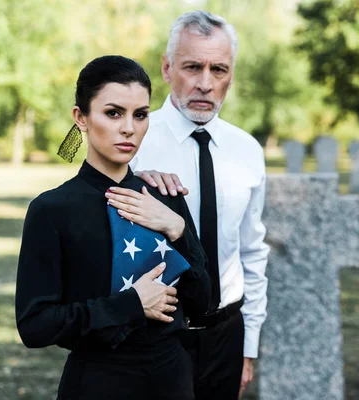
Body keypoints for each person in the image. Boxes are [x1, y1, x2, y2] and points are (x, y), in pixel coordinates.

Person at [15, 55, 211, 399]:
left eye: (140, 115)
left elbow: (200, 304)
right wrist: (130, 304)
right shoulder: (52, 210)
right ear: (81, 117)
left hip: (173, 380)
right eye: (113, 113)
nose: (129, 128)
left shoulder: (166, 197)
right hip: (99, 381)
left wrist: (178, 229)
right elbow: (35, 325)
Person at [115, 10, 270, 400]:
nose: (205, 83)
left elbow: (252, 251)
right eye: (192, 67)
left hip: (226, 335)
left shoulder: (247, 150)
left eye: (218, 69)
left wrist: (247, 347)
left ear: (231, 75)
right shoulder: (133, 143)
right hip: (155, 335)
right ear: (167, 69)